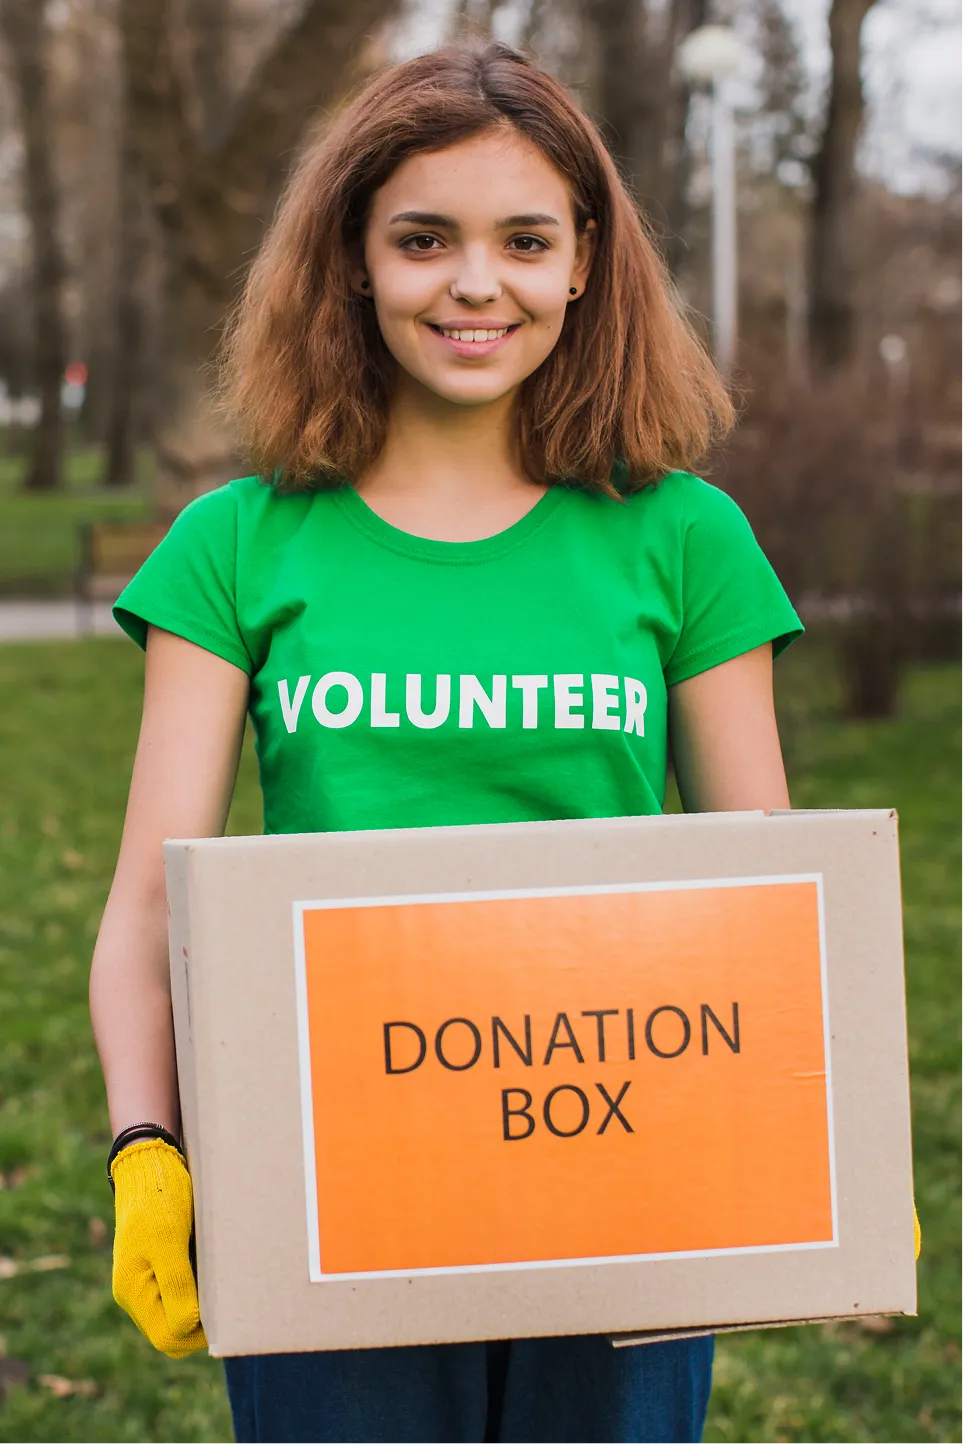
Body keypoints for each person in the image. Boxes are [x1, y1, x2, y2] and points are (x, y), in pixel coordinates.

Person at [90, 40, 805, 1444]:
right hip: (321, 1174)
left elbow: (765, 888)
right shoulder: (236, 545)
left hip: (627, 1177)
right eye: (423, 239)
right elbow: (151, 895)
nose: (475, 285)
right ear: (353, 259)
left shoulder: (684, 537)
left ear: (585, 261)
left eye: (524, 241)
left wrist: (815, 1110)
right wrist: (145, 1148)